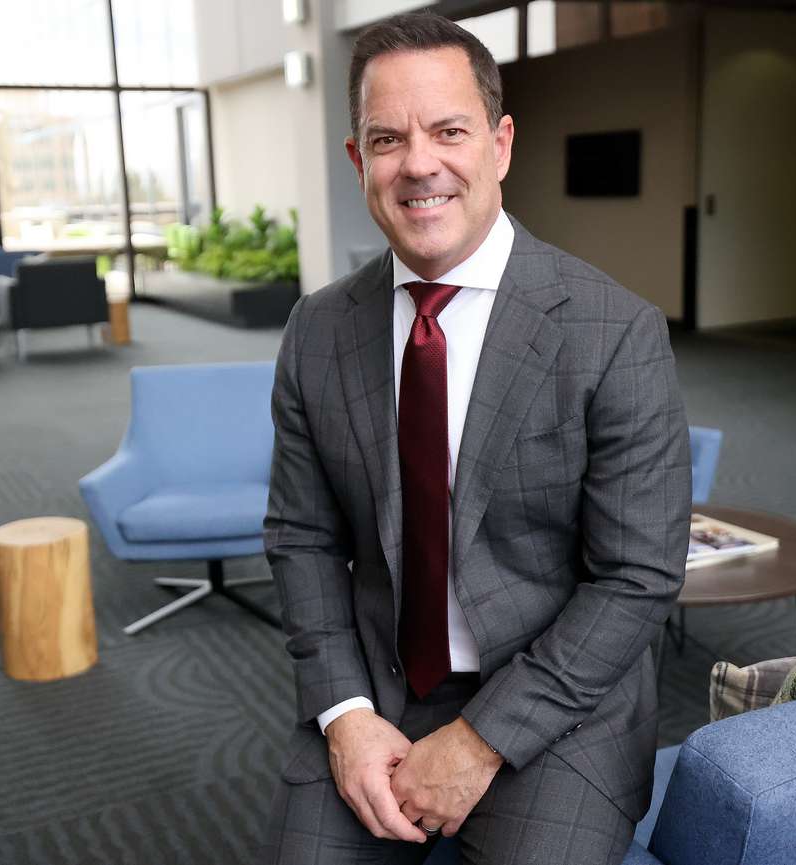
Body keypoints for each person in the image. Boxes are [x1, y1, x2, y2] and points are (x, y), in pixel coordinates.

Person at [263, 11, 691, 865]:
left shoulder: (612, 330)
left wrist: (481, 739)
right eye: (387, 138)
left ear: (499, 145)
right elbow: (302, 538)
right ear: (358, 161)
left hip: (559, 704)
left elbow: (637, 577)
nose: (418, 163)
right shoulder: (317, 330)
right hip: (378, 690)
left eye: (448, 130)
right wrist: (345, 714)